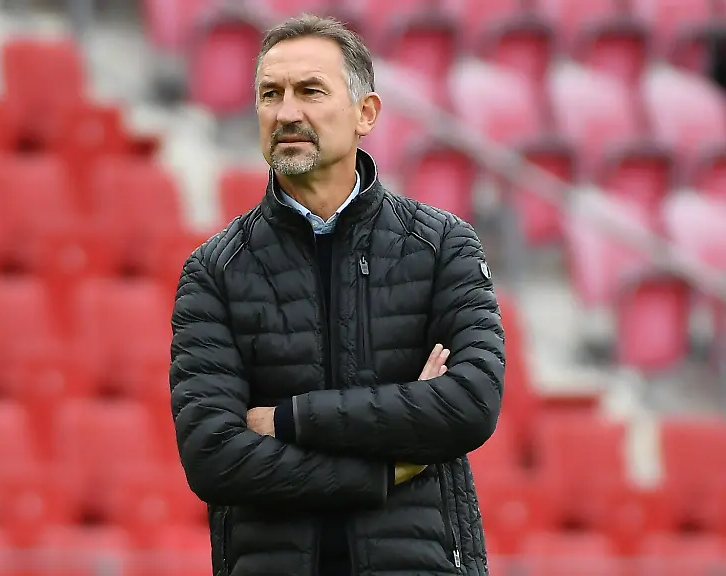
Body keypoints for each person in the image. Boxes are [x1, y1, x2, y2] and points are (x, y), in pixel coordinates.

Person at [168, 13, 505, 576]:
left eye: (310, 91)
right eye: (270, 94)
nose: (286, 112)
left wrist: (289, 420)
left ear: (365, 113)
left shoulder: (443, 245)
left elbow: (470, 404)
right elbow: (213, 457)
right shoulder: (214, 271)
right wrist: (382, 470)